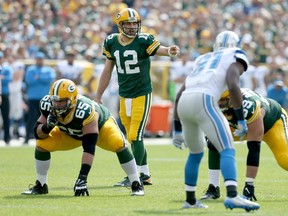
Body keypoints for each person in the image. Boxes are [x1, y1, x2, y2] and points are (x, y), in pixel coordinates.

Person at [172, 30, 260, 211]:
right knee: (227, 149)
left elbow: (180, 93)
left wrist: (177, 128)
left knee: (195, 154)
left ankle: (190, 200)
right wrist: (241, 120)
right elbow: (233, 85)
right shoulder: (236, 55)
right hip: (204, 100)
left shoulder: (203, 58)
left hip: (184, 102)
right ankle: (233, 196)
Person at [95, 8, 180, 187]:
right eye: (129, 23)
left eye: (135, 23)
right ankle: (144, 175)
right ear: (120, 25)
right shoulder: (111, 42)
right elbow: (107, 71)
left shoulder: (144, 40)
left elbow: (159, 50)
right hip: (124, 95)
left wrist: (170, 51)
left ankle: (135, 176)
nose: (133, 27)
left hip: (141, 93)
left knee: (136, 135)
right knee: (131, 137)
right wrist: (98, 95)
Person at [21, 79, 144, 196]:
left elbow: (89, 147)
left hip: (101, 129)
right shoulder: (47, 104)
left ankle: (136, 183)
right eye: (55, 100)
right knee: (42, 144)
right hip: (70, 134)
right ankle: (41, 185)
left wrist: (82, 178)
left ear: (72, 100)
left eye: (62, 101)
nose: (57, 105)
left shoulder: (84, 110)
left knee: (118, 143)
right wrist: (47, 127)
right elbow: (38, 133)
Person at [201, 88, 288, 201]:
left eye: (221, 100)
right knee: (214, 141)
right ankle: (213, 188)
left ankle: (249, 186)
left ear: (231, 100)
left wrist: (249, 185)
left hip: (271, 124)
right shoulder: (210, 103)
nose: (217, 103)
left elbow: (254, 148)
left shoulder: (249, 107)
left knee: (284, 159)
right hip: (240, 124)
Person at [24, 52, 56, 144]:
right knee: (31, 119)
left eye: (41, 59)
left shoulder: (48, 70)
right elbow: (30, 81)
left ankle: (44, 137)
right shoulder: (31, 69)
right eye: (38, 59)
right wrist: (41, 78)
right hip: (33, 97)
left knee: (45, 118)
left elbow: (49, 80)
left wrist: (38, 77)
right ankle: (27, 138)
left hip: (45, 100)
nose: (39, 61)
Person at [0, 51, 13, 144]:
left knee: (6, 117)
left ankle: (7, 138)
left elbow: (7, 80)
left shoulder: (7, 69)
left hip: (4, 95)